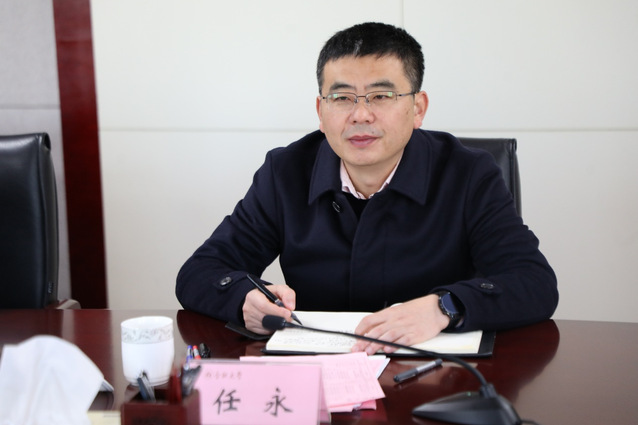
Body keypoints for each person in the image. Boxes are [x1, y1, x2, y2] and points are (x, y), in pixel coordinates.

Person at [176, 22, 558, 354]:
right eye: (342, 98)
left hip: (437, 375)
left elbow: (534, 282)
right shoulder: (285, 173)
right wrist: (245, 299)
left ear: (418, 108)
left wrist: (445, 306)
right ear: (321, 111)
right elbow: (199, 272)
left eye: (381, 96)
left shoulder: (469, 174)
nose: (360, 115)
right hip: (321, 377)